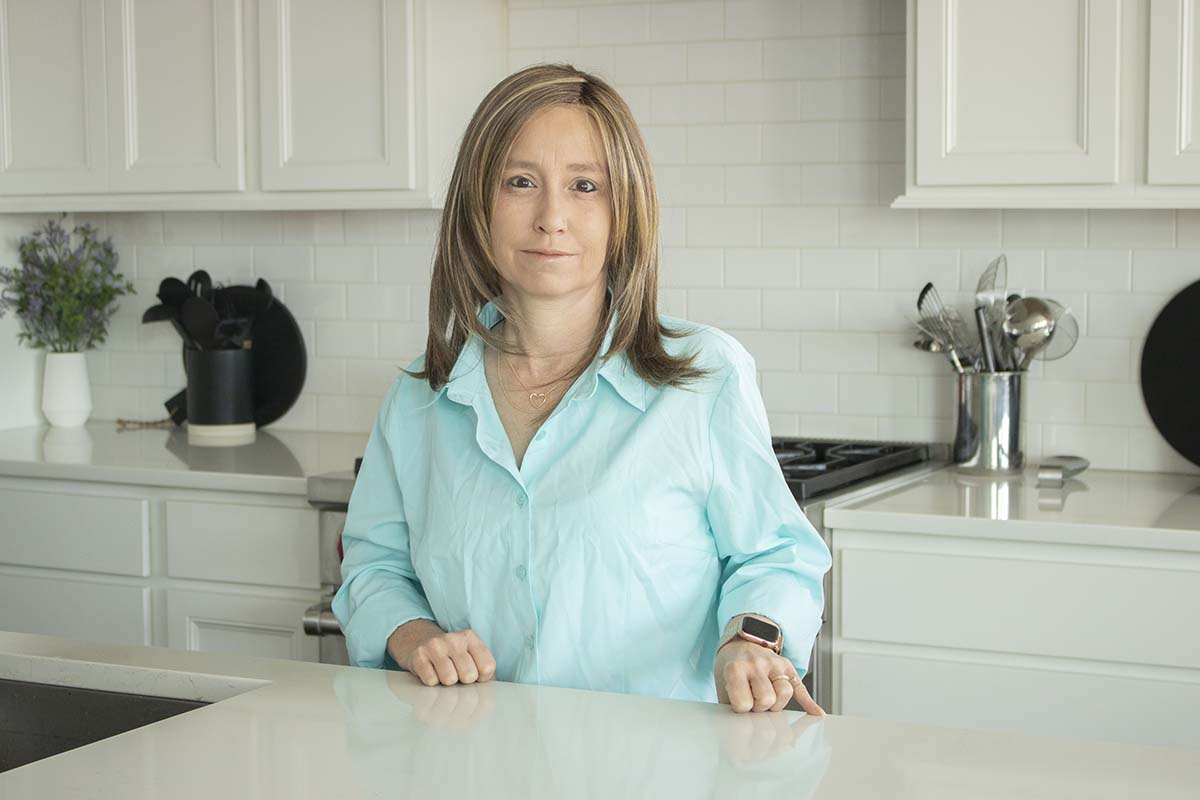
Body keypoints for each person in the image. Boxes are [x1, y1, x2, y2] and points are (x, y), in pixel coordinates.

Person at [332, 63, 832, 715]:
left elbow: (775, 555)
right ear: (477, 205)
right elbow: (373, 567)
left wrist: (750, 641)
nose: (551, 217)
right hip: (470, 766)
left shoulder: (705, 377)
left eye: (584, 185)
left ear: (623, 211)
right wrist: (413, 634)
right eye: (520, 182)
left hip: (661, 772)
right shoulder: (418, 398)